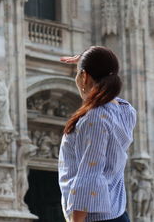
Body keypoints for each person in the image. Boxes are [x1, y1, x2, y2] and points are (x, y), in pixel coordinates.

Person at [58, 46, 137, 222]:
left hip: (95, 218)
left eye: (78, 74)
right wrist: (88, 60)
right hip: (117, 213)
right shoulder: (126, 111)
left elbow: (89, 175)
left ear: (84, 76)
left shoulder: (94, 118)